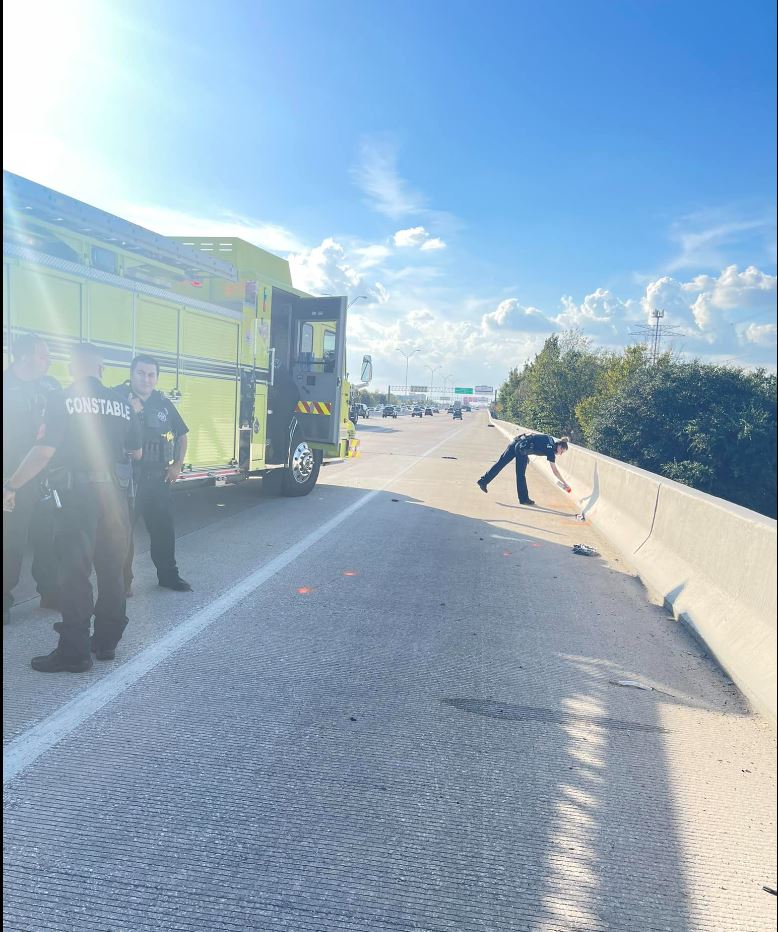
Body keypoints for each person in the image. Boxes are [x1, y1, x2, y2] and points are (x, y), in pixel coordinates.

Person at [3, 343, 142, 672]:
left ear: (72, 369)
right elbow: (135, 452)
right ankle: (106, 643)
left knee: (75, 573)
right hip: (115, 496)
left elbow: (44, 451)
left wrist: (11, 486)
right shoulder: (123, 402)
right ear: (102, 369)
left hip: (77, 497)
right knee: (112, 570)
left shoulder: (61, 398)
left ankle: (74, 652)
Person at [117, 355, 192, 594]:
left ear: (157, 378)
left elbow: (182, 435)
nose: (146, 379)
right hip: (129, 479)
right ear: (131, 374)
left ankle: (169, 577)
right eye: (141, 373)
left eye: (151, 374)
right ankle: (123, 583)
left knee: (163, 530)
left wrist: (177, 465)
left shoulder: (163, 402)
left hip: (159, 478)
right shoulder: (118, 397)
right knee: (124, 534)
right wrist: (131, 411)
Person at [3, 333, 60, 624]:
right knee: (11, 542)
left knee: (47, 537)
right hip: (11, 480)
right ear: (24, 357)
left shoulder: (50, 387)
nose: (48, 361)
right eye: (43, 355)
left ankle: (50, 592)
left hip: (43, 477)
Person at [477, 433, 571, 505]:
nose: (560, 454)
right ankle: (524, 499)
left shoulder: (549, 438)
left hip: (515, 443)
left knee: (500, 463)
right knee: (520, 474)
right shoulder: (550, 450)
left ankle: (483, 481)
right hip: (521, 449)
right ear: (560, 446)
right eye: (561, 452)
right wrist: (565, 483)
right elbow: (555, 471)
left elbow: (532, 438)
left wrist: (527, 455)